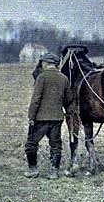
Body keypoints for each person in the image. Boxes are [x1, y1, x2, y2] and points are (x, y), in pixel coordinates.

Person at [24, 52, 73, 180]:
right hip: (57, 118)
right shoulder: (64, 78)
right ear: (56, 64)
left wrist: (31, 117)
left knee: (31, 143)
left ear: (45, 63)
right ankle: (54, 172)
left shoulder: (41, 77)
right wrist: (69, 113)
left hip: (40, 118)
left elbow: (36, 99)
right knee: (56, 145)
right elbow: (69, 100)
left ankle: (33, 170)